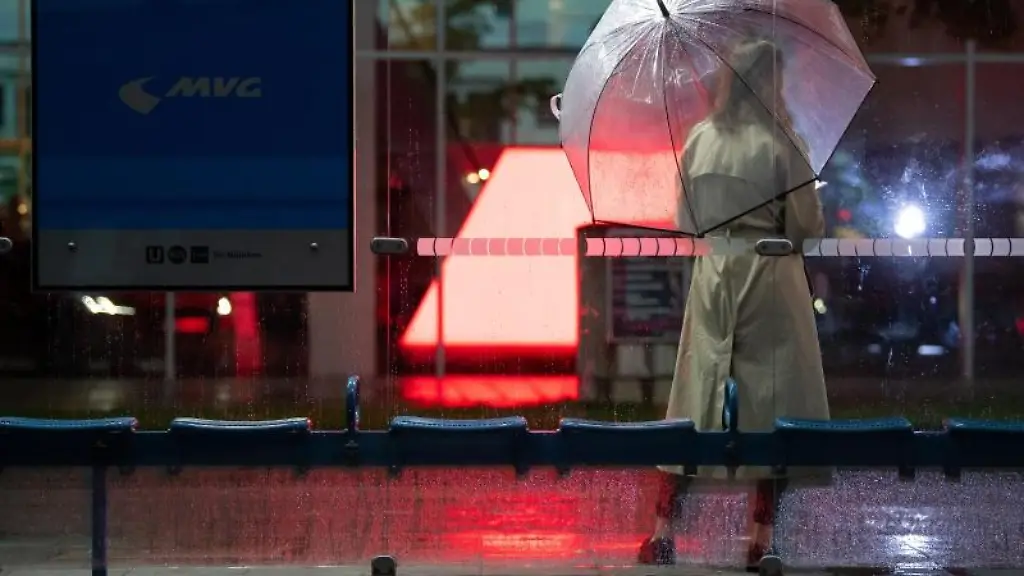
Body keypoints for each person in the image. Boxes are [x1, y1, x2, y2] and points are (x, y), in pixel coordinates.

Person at [637, 38, 831, 569]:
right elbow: (805, 224)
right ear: (770, 82)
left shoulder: (701, 138)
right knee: (773, 403)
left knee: (695, 398)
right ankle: (762, 541)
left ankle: (660, 533)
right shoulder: (780, 140)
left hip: (714, 273)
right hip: (769, 273)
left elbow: (684, 218)